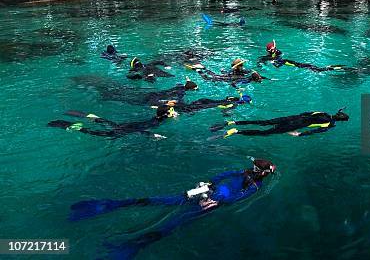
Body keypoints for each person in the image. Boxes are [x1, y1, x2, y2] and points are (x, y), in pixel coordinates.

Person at [69, 158, 276, 259]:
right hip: (212, 201)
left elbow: (220, 176)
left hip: (204, 191)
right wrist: (219, 202)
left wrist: (208, 185)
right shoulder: (256, 186)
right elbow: (237, 197)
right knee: (173, 224)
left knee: (162, 200)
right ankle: (130, 247)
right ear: (265, 173)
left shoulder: (242, 171)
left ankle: (110, 205)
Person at [48, 105, 177, 139]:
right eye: (171, 111)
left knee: (105, 122)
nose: (173, 112)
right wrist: (152, 135)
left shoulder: (157, 118)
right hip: (125, 130)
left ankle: (85, 116)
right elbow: (140, 130)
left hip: (126, 125)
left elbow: (159, 112)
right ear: (166, 114)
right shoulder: (156, 123)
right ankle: (66, 125)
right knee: (94, 133)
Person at [214, 109, 349, 138]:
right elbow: (316, 130)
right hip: (293, 126)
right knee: (264, 133)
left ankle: (233, 122)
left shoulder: (323, 112)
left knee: (263, 122)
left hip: (292, 116)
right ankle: (236, 131)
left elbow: (306, 113)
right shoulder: (331, 124)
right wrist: (299, 134)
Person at [259, 40, 352, 72]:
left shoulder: (277, 57)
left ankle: (334, 68)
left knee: (318, 70)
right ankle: (333, 67)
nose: (274, 49)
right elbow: (274, 54)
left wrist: (272, 63)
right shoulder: (277, 54)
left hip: (297, 65)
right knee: (316, 69)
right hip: (296, 63)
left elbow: (278, 66)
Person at [186, 59, 267, 87]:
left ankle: (203, 68)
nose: (242, 66)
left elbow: (251, 71)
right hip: (228, 77)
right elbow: (233, 82)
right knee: (209, 78)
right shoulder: (235, 71)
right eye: (241, 65)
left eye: (242, 65)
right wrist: (237, 88)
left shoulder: (244, 71)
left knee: (213, 75)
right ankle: (199, 70)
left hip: (229, 77)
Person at [167, 94, 253, 114]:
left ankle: (175, 103)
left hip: (205, 100)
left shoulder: (233, 98)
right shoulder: (235, 104)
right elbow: (224, 111)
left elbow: (227, 97)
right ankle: (173, 105)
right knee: (189, 109)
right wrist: (227, 115)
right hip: (207, 105)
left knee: (189, 106)